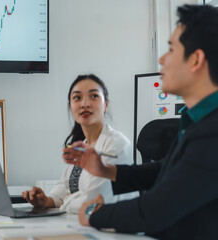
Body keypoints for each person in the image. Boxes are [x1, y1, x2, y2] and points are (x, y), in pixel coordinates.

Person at [63, 4, 218, 239]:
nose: (162, 59)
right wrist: (106, 170)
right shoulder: (198, 122)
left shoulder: (212, 132)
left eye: (171, 50)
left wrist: (94, 213)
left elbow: (156, 210)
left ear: (196, 60)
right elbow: (164, 170)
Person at [22, 74, 137, 213]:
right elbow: (65, 186)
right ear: (70, 107)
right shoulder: (83, 145)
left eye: (94, 96)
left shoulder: (117, 145)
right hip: (83, 224)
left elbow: (96, 201)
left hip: (115, 229)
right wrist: (46, 200)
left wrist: (67, 201)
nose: (85, 104)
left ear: (106, 104)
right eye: (77, 97)